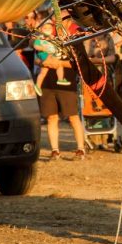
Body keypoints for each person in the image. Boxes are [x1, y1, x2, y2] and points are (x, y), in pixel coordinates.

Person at [36, 13, 87, 161]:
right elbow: (36, 58)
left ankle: (80, 149)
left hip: (66, 83)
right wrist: (42, 62)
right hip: (47, 84)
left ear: (68, 20)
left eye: (60, 18)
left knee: (73, 116)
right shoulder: (47, 36)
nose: (56, 21)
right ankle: (55, 151)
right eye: (54, 18)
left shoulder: (74, 37)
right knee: (51, 117)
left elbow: (79, 62)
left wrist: (60, 64)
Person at [32, 22, 70, 96]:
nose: (47, 29)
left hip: (50, 55)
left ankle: (38, 85)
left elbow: (58, 43)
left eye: (49, 28)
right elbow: (36, 46)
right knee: (58, 64)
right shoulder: (40, 38)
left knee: (44, 72)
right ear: (41, 29)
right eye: (45, 28)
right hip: (44, 55)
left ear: (52, 29)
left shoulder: (52, 38)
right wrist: (42, 48)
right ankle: (60, 79)